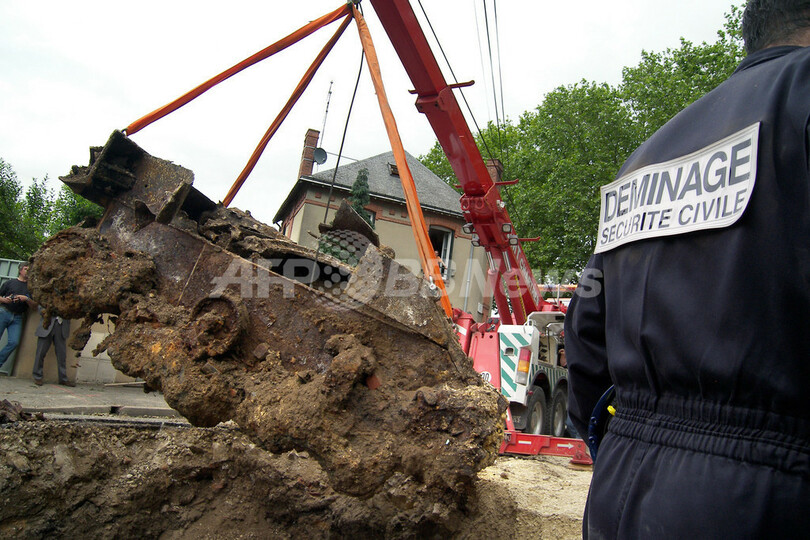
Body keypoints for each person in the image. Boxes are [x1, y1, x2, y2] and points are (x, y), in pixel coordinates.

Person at [564, 1, 810, 537]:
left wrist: (633, 437)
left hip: (621, 493)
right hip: (768, 498)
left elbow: (585, 334)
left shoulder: (647, 157)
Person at [0, 263, 37, 372]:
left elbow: (34, 306)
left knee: (14, 342)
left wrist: (26, 299)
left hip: (18, 317)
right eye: (26, 269)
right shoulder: (10, 283)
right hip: (4, 312)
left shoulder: (31, 288)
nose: (28, 271)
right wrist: (4, 300)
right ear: (20, 270)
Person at [32, 307, 73, 386]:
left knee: (62, 355)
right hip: (47, 324)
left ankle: (63, 378)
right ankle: (37, 376)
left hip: (62, 326)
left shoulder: (70, 295)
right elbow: (40, 309)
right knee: (40, 352)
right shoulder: (48, 294)